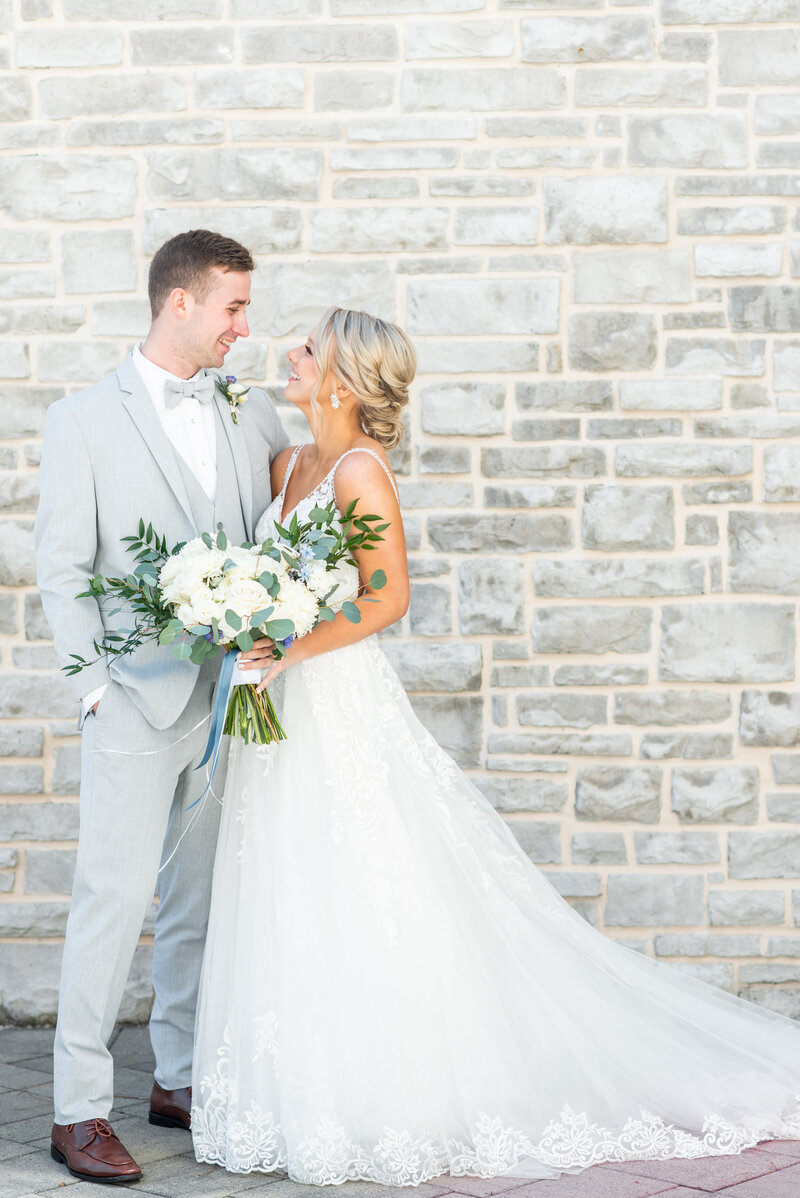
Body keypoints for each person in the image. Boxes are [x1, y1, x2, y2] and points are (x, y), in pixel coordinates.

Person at [192, 306, 800, 1187]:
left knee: (356, 875)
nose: (291, 352)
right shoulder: (289, 464)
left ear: (344, 380)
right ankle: (287, 1088)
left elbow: (386, 597)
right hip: (276, 701)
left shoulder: (360, 472)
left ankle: (381, 1095)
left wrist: (290, 646)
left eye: (310, 347)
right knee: (282, 876)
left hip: (331, 698)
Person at [35, 229, 288, 1184]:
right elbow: (60, 569)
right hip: (134, 703)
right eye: (233, 306)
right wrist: (95, 689)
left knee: (197, 900)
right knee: (111, 901)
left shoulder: (252, 411)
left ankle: (176, 1077)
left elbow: (283, 528)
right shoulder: (82, 420)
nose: (245, 326)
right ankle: (77, 1109)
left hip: (229, 699)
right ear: (179, 302)